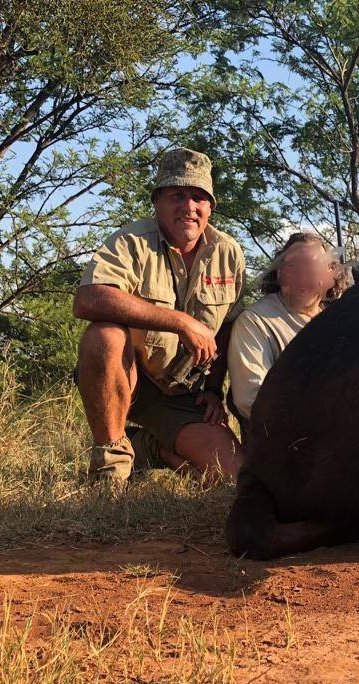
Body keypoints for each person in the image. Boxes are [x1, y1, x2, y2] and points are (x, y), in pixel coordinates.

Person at [73, 147, 245, 488]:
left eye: (198, 197)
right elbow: (87, 299)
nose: (189, 207)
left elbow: (227, 328)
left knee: (233, 478)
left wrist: (213, 391)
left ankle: (151, 449)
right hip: (129, 378)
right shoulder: (132, 240)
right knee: (104, 335)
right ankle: (109, 467)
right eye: (177, 195)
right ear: (157, 202)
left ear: (210, 207)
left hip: (183, 391)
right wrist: (180, 321)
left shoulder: (228, 252)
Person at [228, 232, 350, 431]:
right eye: (294, 267)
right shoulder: (255, 321)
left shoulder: (340, 321)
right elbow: (250, 399)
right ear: (279, 273)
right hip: (286, 438)